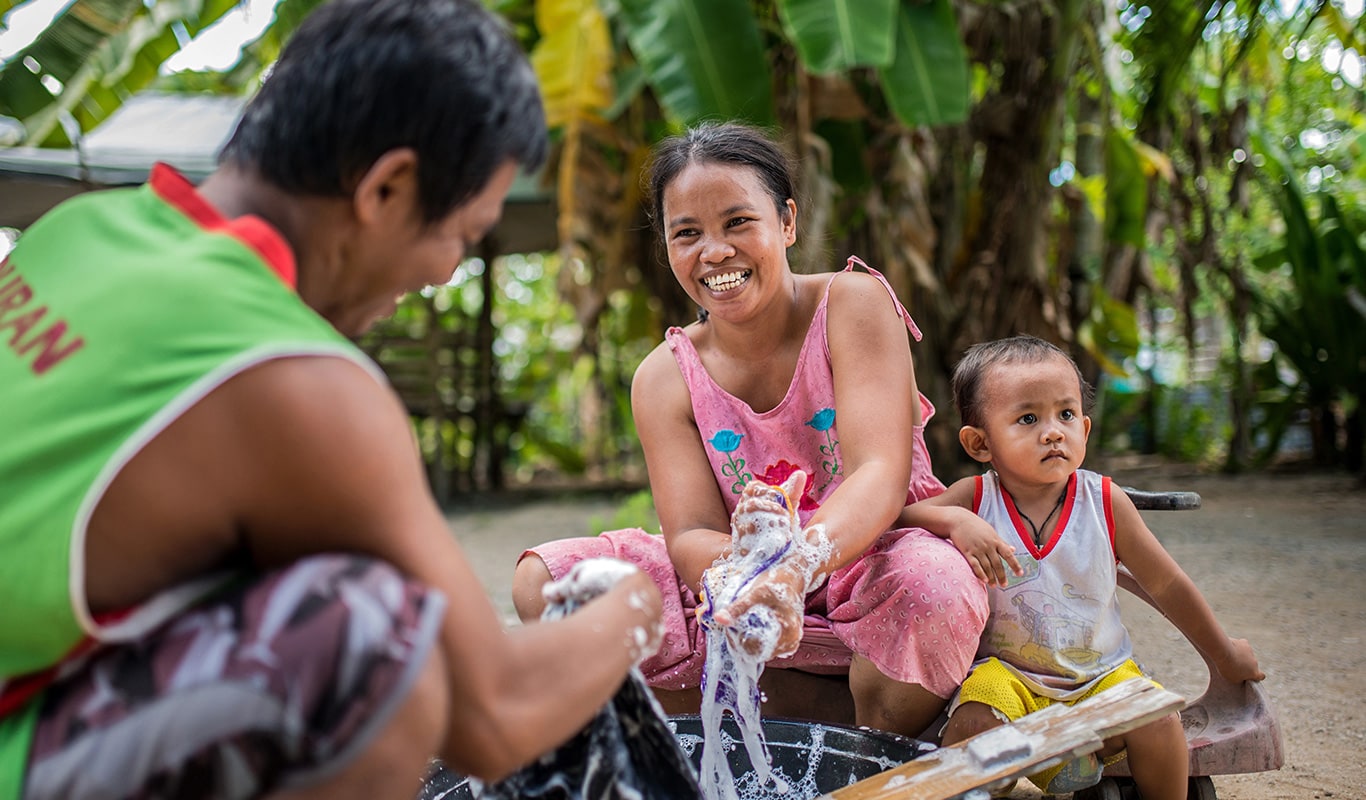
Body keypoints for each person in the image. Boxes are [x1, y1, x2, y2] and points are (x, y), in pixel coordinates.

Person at [0, 1, 664, 798]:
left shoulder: (82, 230)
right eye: (461, 234)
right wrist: (638, 601)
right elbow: (495, 715)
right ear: (387, 188)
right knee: (374, 641)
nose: (448, 270)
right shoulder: (293, 380)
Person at [512, 122, 990, 739]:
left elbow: (880, 473)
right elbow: (691, 534)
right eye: (687, 233)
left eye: (738, 222)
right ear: (667, 246)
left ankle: (849, 726)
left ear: (787, 222)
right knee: (549, 585)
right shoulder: (663, 377)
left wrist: (799, 564)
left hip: (873, 554)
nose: (714, 252)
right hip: (745, 575)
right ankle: (829, 716)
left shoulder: (853, 303)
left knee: (933, 588)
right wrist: (751, 581)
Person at [900, 334, 1265, 797]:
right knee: (972, 723)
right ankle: (1019, 773)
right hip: (1009, 679)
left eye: (1066, 414)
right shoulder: (975, 499)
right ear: (979, 443)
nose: (1053, 431)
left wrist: (1225, 654)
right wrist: (952, 520)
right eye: (1028, 418)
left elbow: (1168, 585)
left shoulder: (1105, 502)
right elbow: (897, 515)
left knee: (1158, 718)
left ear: (1085, 431)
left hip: (1101, 676)